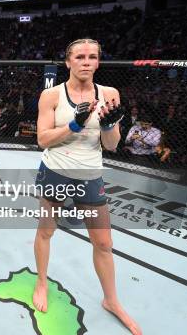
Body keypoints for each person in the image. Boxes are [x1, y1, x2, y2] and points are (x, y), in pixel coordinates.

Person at [33, 39, 141, 335]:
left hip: (90, 174)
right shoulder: (51, 95)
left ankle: (111, 300)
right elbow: (42, 139)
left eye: (92, 57)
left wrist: (108, 126)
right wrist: (75, 125)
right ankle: (41, 282)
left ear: (98, 62)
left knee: (104, 243)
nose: (86, 61)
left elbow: (111, 145)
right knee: (46, 231)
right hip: (56, 171)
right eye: (79, 56)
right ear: (68, 62)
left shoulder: (110, 95)